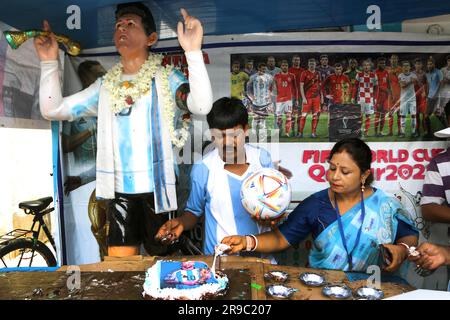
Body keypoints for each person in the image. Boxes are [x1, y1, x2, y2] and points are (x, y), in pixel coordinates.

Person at [34, 2, 213, 257]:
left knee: (161, 267)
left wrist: (193, 52)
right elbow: (53, 110)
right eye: (119, 25)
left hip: (158, 193)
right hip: (119, 193)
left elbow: (202, 105)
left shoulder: (167, 78)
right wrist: (49, 62)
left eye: (131, 24)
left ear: (151, 38)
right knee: (120, 272)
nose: (122, 29)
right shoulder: (104, 86)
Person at [222, 138, 418, 273]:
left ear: (365, 175)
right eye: (332, 168)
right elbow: (281, 238)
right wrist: (246, 241)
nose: (334, 176)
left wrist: (402, 248)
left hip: (376, 288)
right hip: (325, 290)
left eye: (345, 171)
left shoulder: (386, 205)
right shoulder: (315, 204)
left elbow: (409, 235)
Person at [155, 97, 277, 255]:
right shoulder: (203, 169)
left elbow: (275, 206)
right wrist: (180, 223)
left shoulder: (262, 160)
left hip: (262, 259)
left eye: (234, 135)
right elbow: (193, 212)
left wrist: (273, 217)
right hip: (220, 261)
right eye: (221, 135)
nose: (227, 142)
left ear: (246, 130)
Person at [246, 62, 274, 142]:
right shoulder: (253, 77)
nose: (263, 70)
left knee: (263, 120)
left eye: (265, 69)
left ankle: (262, 138)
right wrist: (251, 97)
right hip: (256, 102)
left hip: (264, 102)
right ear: (258, 68)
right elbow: (248, 88)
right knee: (255, 119)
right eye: (262, 69)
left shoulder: (268, 77)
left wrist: (269, 96)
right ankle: (253, 137)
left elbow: (271, 87)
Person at [352, 60, 377, 138]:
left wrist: (375, 98)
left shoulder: (374, 75)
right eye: (365, 65)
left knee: (368, 116)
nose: (366, 67)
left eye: (368, 65)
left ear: (370, 66)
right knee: (360, 116)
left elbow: (376, 88)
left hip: (370, 98)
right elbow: (355, 87)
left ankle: (366, 133)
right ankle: (359, 131)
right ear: (362, 67)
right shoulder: (359, 75)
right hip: (361, 98)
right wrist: (353, 96)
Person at [299, 58, 323, 138]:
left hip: (316, 97)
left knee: (315, 115)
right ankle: (300, 133)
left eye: (313, 64)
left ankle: (313, 133)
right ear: (308, 65)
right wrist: (303, 97)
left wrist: (322, 96)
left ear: (315, 65)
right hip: (307, 97)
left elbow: (320, 86)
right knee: (303, 115)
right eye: (310, 64)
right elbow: (301, 86)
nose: (312, 65)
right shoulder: (304, 73)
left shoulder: (317, 73)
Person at [273, 60, 297, 137]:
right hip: (279, 100)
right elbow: (273, 87)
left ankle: (287, 133)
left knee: (288, 116)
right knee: (279, 118)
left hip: (288, 100)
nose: (284, 67)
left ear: (288, 67)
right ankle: (280, 130)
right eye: (283, 65)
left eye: (286, 65)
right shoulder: (276, 76)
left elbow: (295, 88)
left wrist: (296, 99)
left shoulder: (292, 76)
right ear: (281, 67)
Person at [425, 57, 447, 136]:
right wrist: (427, 94)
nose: (429, 65)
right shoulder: (427, 74)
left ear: (434, 64)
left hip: (437, 97)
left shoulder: (438, 72)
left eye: (431, 64)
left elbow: (442, 83)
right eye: (428, 64)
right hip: (430, 97)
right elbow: (429, 85)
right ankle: (429, 132)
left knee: (429, 115)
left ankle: (429, 133)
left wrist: (437, 94)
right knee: (436, 115)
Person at [398, 60, 418, 138]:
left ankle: (413, 132)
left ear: (410, 67)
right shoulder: (400, 75)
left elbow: (416, 83)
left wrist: (414, 81)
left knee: (413, 115)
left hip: (412, 99)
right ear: (402, 67)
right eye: (404, 66)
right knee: (403, 115)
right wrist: (410, 81)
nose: (406, 67)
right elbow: (402, 85)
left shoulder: (414, 75)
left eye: (407, 65)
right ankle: (402, 132)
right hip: (403, 99)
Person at [374, 57, 391, 137]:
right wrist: (386, 89)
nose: (382, 64)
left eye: (384, 63)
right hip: (378, 96)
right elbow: (377, 85)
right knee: (377, 115)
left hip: (385, 97)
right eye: (381, 63)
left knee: (383, 115)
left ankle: (380, 132)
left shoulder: (386, 72)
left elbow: (388, 83)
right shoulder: (375, 73)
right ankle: (375, 132)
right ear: (378, 64)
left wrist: (390, 93)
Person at [387, 54, 402, 136]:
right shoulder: (388, 70)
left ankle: (399, 131)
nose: (393, 60)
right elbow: (387, 83)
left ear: (397, 60)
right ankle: (390, 131)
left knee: (399, 113)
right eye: (392, 59)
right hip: (391, 94)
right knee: (391, 113)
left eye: (395, 59)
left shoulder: (401, 69)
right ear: (390, 60)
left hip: (399, 94)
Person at [412, 58, 428, 137]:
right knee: (416, 114)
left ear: (421, 65)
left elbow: (426, 85)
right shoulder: (411, 73)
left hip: (422, 96)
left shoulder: (424, 74)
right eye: (416, 64)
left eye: (419, 64)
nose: (418, 65)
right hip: (414, 96)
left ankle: (425, 130)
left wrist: (425, 93)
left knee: (424, 114)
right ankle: (417, 130)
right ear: (414, 65)